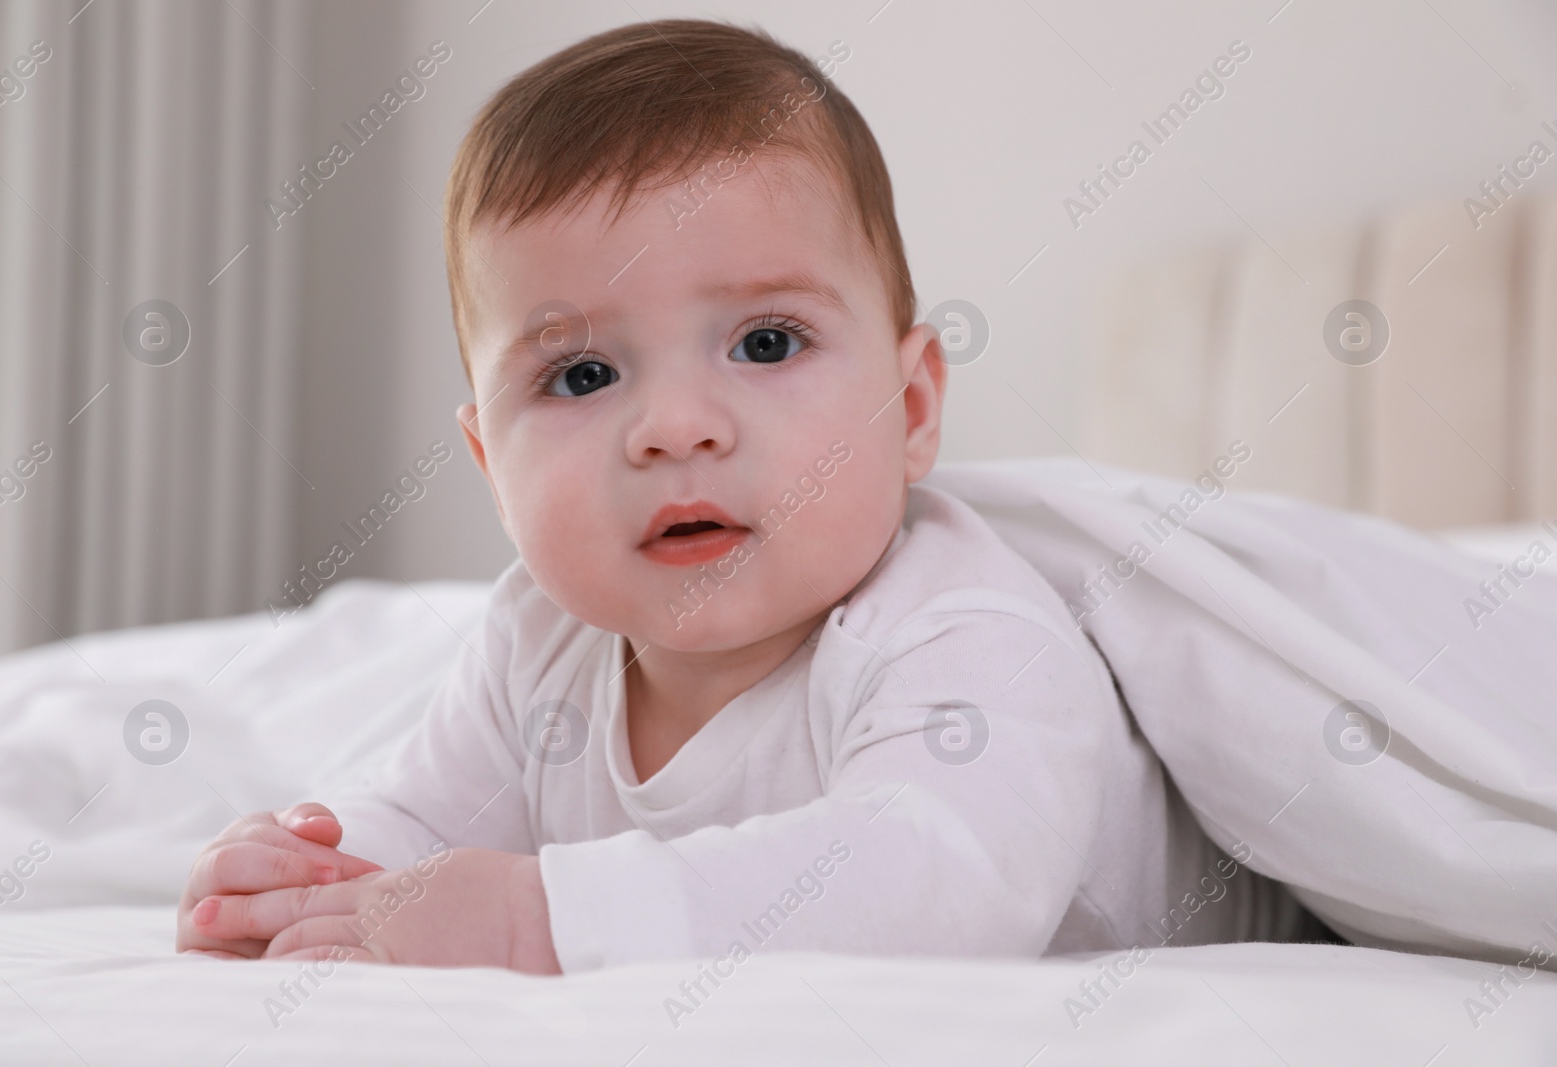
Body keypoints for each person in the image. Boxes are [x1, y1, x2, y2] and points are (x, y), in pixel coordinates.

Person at [175, 18, 1312, 973]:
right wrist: (309, 874)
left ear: (912, 408)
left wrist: (535, 916)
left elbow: (946, 882)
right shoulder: (540, 639)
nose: (675, 426)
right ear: (490, 468)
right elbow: (425, 819)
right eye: (580, 374)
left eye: (766, 341)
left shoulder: (963, 629)